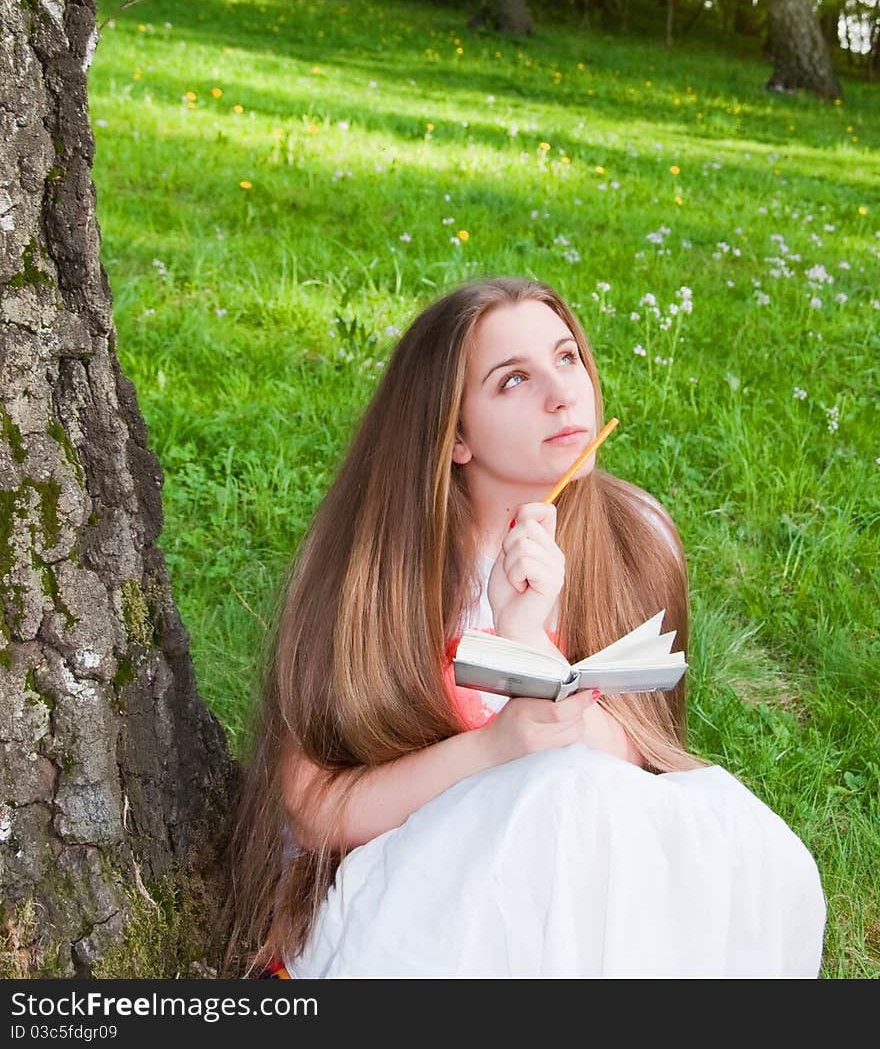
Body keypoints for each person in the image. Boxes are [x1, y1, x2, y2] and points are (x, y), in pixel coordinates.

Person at [221, 275, 826, 979]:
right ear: (455, 437)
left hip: (580, 866)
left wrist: (528, 639)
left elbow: (641, 760)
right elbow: (315, 810)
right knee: (566, 796)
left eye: (567, 357)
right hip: (399, 902)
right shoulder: (377, 568)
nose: (563, 392)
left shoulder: (639, 537)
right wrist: (497, 745)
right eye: (513, 380)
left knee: (760, 849)